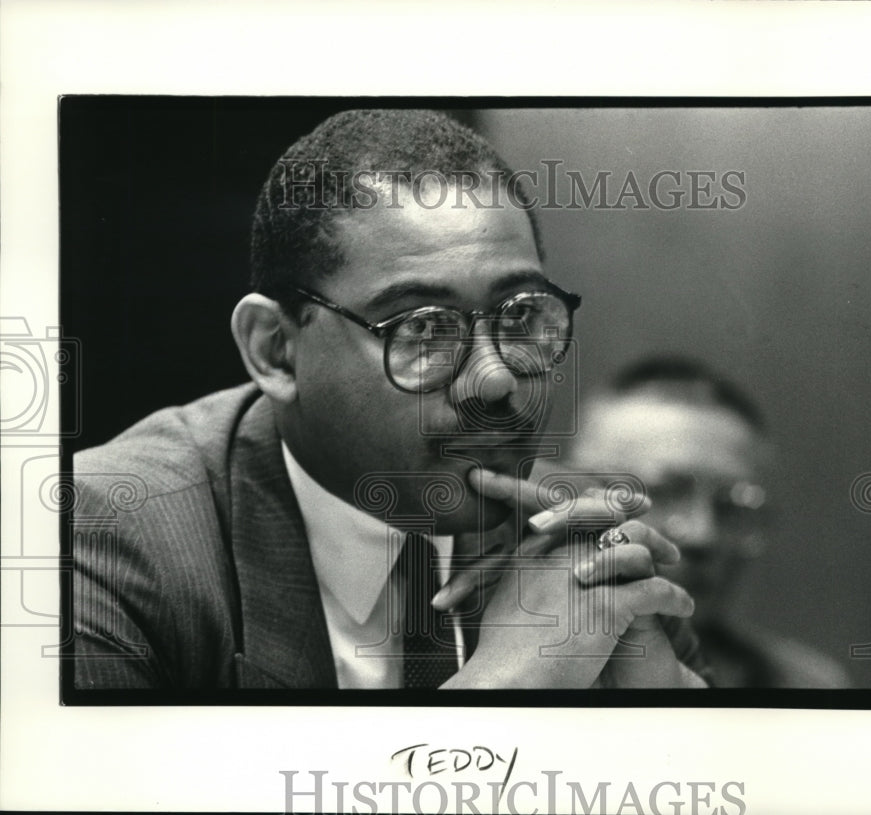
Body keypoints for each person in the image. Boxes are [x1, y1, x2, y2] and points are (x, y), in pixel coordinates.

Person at [70, 109, 707, 691]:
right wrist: (505, 688)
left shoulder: (577, 539)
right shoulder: (104, 534)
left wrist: (655, 700)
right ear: (275, 351)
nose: (496, 381)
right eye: (423, 328)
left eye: (519, 317)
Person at [570, 356, 851, 688]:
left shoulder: (804, 684)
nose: (703, 534)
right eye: (664, 492)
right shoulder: (526, 669)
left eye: (731, 504)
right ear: (577, 495)